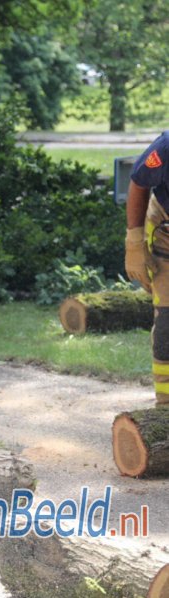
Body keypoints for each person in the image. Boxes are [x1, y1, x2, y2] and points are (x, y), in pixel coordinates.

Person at [126, 131, 169, 405]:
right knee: (168, 320)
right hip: (167, 231)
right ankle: (166, 406)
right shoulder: (166, 147)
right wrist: (134, 242)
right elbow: (138, 184)